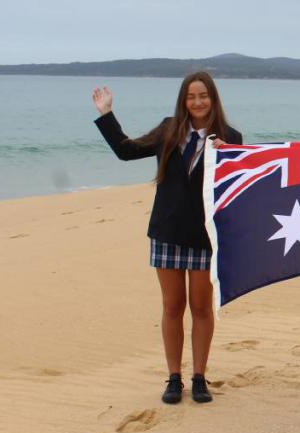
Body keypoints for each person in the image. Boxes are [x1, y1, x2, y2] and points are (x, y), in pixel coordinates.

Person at [91, 71, 243, 404]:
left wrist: (229, 154)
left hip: (206, 236)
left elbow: (241, 183)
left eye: (203, 95)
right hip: (168, 231)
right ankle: (174, 378)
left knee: (202, 309)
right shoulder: (168, 128)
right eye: (191, 96)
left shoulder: (230, 136)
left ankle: (199, 377)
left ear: (213, 98)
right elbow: (126, 151)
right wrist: (107, 113)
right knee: (173, 307)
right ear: (183, 100)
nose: (198, 102)